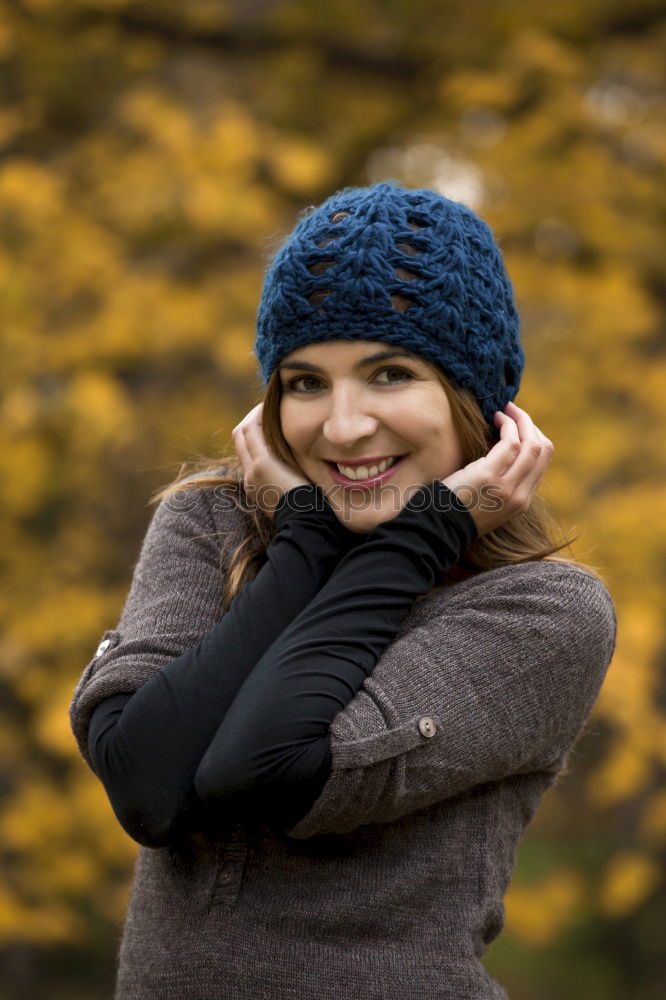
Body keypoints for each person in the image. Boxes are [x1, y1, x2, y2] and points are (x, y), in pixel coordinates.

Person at [69, 180, 617, 1000]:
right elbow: (147, 785)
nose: (343, 426)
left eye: (390, 374)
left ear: (478, 403)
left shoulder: (544, 613)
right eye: (306, 382)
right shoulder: (210, 526)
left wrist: (422, 536)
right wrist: (306, 544)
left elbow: (266, 766)